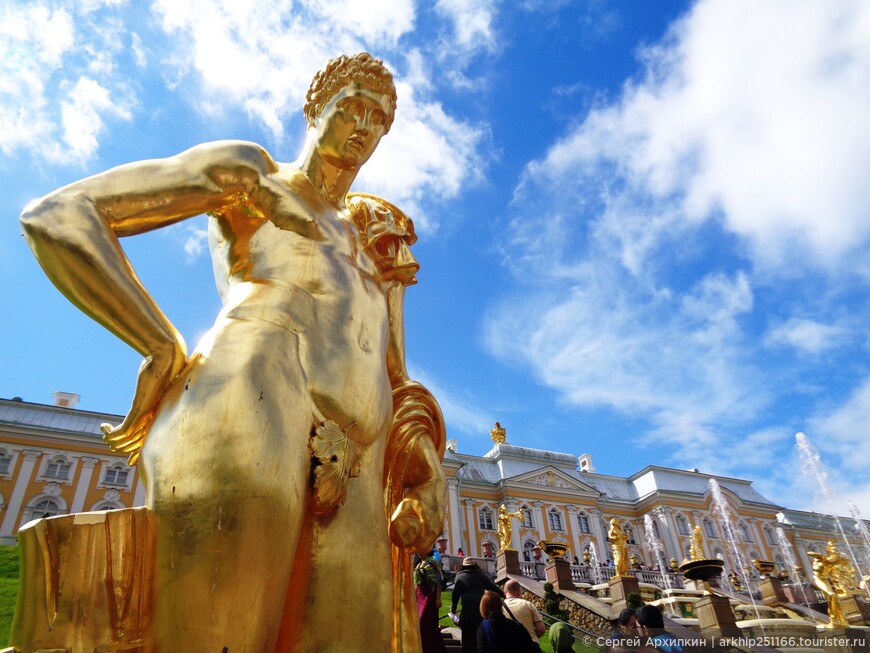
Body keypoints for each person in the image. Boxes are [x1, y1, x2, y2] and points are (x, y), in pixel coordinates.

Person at [19, 52, 446, 652]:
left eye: (377, 118)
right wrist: (158, 342)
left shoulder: (373, 241)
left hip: (357, 465)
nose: (362, 125)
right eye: (348, 106)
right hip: (252, 405)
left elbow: (395, 376)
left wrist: (426, 474)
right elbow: (60, 216)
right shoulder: (255, 180)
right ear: (313, 107)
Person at [450, 558, 503, 653]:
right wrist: (505, 595)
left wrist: (453, 609)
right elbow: (493, 588)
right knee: (481, 639)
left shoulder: (460, 577)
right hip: (481, 612)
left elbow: (455, 595)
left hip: (467, 613)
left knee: (467, 642)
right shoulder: (481, 576)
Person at [415, 551, 448, 653]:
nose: (419, 553)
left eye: (421, 550)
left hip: (430, 595)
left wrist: (438, 598)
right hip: (420, 595)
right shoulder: (419, 564)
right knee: (421, 624)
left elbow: (438, 581)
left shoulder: (432, 563)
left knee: (425, 622)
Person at [503, 579, 545, 650]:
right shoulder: (528, 604)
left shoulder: (499, 608)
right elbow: (541, 629)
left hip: (511, 646)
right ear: (518, 591)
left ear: (504, 593)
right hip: (531, 645)